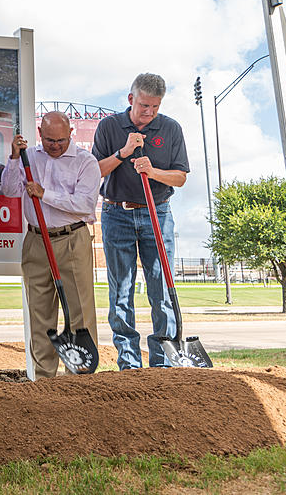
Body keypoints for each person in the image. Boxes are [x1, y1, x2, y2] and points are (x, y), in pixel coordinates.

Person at [91, 73, 189, 369]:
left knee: (161, 289)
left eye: (155, 107)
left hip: (157, 212)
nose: (149, 112)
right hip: (115, 214)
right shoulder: (108, 126)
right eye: (144, 105)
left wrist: (153, 170)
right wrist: (123, 153)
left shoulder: (170, 128)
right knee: (121, 291)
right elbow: (95, 171)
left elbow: (181, 177)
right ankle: (129, 364)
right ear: (131, 98)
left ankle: (164, 364)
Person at [4, 112, 100, 379]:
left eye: (60, 140)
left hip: (72, 239)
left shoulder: (85, 162)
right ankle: (44, 378)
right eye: (48, 140)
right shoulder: (29, 157)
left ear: (71, 133)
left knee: (79, 312)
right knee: (40, 313)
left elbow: (84, 205)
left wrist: (45, 194)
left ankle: (80, 377)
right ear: (39, 133)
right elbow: (10, 190)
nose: (55, 145)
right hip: (36, 241)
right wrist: (14, 158)